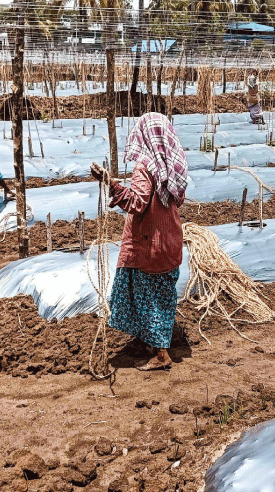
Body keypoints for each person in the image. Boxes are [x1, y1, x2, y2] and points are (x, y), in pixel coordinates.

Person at [90, 113, 188, 372]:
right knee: (163, 297)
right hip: (169, 241)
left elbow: (136, 203)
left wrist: (110, 184)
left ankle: (161, 354)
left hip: (149, 244)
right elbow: (176, 199)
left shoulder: (145, 166)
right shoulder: (174, 164)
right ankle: (152, 344)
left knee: (149, 299)